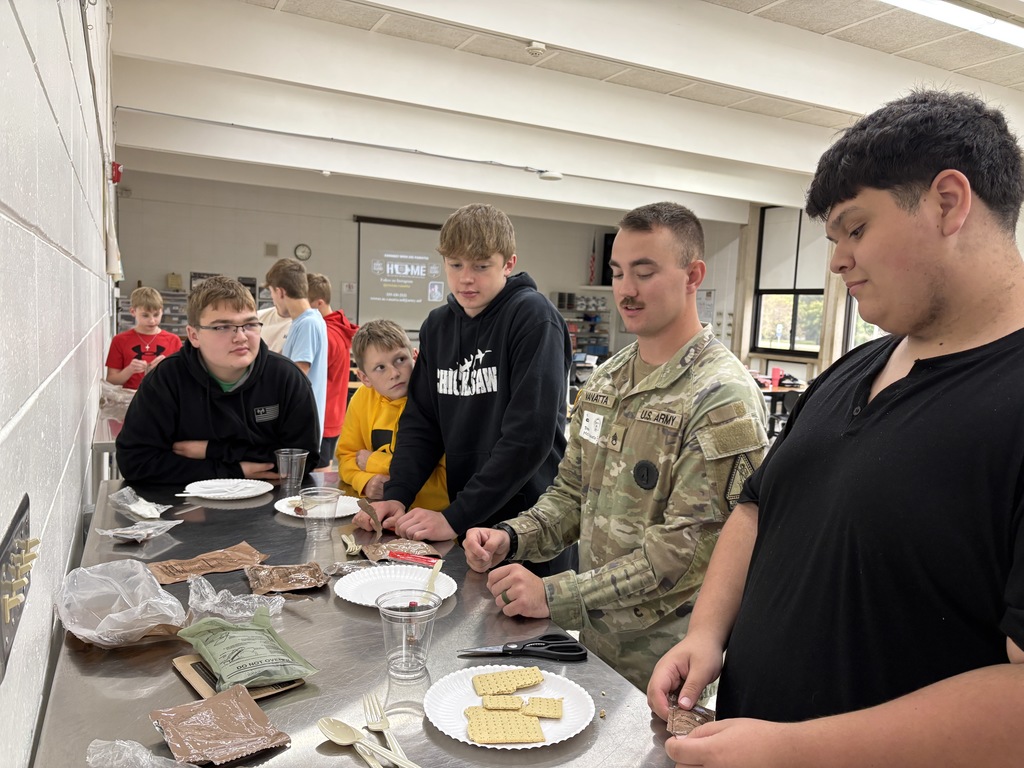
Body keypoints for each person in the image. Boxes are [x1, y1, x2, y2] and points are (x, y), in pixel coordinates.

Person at [648, 90, 1024, 767]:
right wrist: (706, 634)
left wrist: (793, 749)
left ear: (948, 202)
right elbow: (760, 507)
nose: (837, 260)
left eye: (855, 228)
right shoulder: (860, 366)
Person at [463, 202, 769, 690]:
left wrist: (554, 594)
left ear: (693, 276)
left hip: (669, 668)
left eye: (644, 273)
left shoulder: (721, 398)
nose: (626, 290)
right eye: (618, 272)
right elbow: (571, 495)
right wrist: (513, 536)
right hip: (597, 649)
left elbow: (686, 554)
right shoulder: (608, 379)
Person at [355, 203, 576, 577]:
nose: (465, 279)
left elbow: (528, 439)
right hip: (468, 522)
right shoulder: (437, 326)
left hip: (528, 524)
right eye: (455, 265)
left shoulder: (533, 317)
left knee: (529, 633)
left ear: (508, 263)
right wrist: (398, 494)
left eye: (480, 266)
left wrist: (454, 517)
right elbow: (422, 424)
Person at [116, 276, 320, 483]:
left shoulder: (286, 378)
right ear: (194, 335)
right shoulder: (165, 380)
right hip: (184, 507)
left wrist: (209, 450)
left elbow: (302, 460)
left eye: (250, 324)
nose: (241, 336)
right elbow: (135, 461)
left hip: (269, 506)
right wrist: (233, 471)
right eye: (222, 327)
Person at [337, 319, 447, 508]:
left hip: (432, 517)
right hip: (384, 512)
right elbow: (347, 458)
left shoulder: (439, 399)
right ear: (364, 378)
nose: (394, 373)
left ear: (415, 356)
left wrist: (375, 462)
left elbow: (444, 482)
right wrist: (364, 481)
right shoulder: (362, 398)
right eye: (380, 368)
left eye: (400, 360)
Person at [265, 258, 327, 441]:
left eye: (271, 294)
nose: (273, 301)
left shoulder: (307, 324)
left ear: (280, 291)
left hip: (300, 426)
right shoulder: (305, 321)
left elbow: (296, 377)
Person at [307, 273, 359, 468]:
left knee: (319, 475)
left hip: (323, 416)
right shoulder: (336, 327)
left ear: (319, 303)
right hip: (331, 413)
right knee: (322, 467)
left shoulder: (327, 334)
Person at [105, 286, 182, 390]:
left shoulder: (173, 340)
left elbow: (182, 378)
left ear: (162, 311)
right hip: (132, 398)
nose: (152, 321)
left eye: (156, 315)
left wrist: (166, 367)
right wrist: (129, 370)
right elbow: (111, 381)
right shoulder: (120, 340)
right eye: (145, 315)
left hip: (165, 399)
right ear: (133, 312)